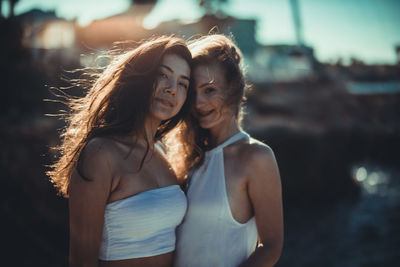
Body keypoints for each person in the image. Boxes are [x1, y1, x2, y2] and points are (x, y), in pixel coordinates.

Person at [47, 36, 193, 266]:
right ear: (141, 78)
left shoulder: (164, 153)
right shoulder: (101, 154)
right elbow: (82, 261)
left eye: (183, 83)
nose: (172, 89)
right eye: (162, 75)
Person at [174, 34, 284, 267]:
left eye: (210, 90)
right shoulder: (188, 158)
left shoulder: (256, 157)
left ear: (233, 90)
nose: (198, 103)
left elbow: (271, 246)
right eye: (192, 92)